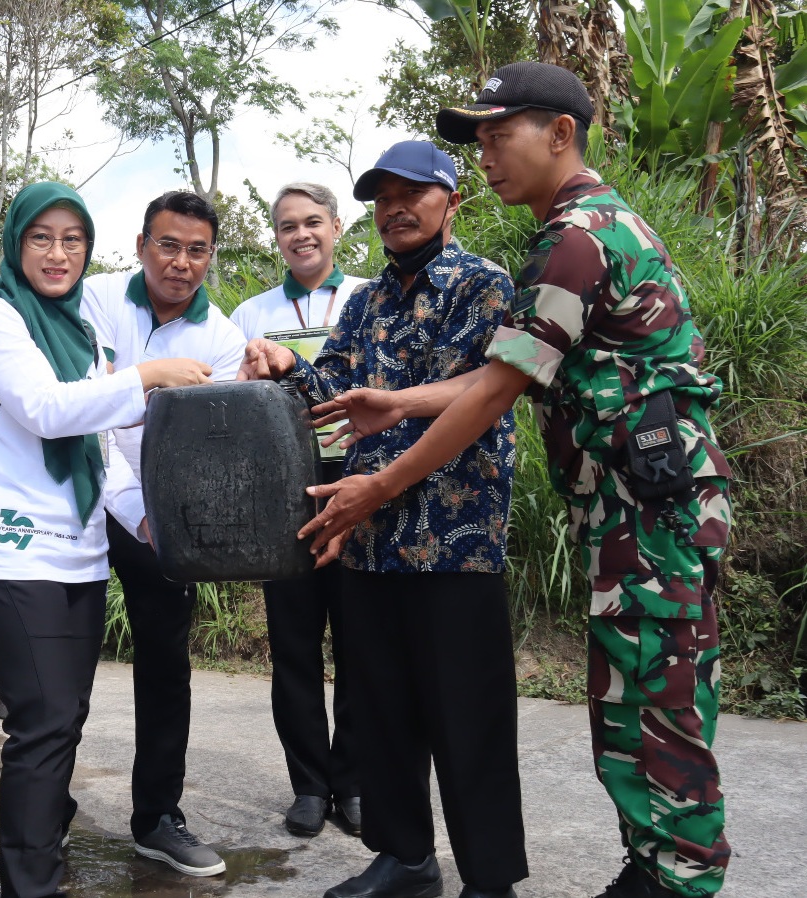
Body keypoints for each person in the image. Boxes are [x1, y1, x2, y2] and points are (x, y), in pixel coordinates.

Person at [308, 63, 733, 898]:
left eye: (499, 136)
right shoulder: (584, 228)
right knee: (634, 704)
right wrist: (395, 404)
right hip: (636, 508)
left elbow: (495, 391)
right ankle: (652, 873)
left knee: (657, 707)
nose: (487, 156)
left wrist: (377, 487)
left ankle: (673, 879)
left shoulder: (572, 240)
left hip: (647, 514)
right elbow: (508, 371)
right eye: (480, 142)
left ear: (560, 134)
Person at [241, 141, 527, 898]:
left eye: (413, 194)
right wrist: (287, 366)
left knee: (467, 718)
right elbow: (332, 385)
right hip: (369, 539)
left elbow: (492, 386)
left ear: (451, 202)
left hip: (454, 540)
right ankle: (405, 859)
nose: (395, 209)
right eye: (383, 198)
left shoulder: (483, 284)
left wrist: (395, 413)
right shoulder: (365, 302)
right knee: (382, 712)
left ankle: (489, 879)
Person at [0, 181, 212, 898]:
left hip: (79, 556)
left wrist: (146, 521)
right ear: (17, 242)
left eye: (73, 240)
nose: (58, 253)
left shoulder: (83, 336)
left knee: (62, 719)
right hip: (13, 553)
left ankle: (40, 854)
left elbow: (102, 450)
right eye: (42, 237)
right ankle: (30, 883)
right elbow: (46, 409)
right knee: (41, 725)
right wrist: (145, 376)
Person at [80, 190, 247, 877]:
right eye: (168, 245)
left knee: (166, 665)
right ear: (141, 246)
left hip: (162, 517)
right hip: (82, 498)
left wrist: (160, 519)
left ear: (211, 256)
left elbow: (208, 449)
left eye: (196, 250)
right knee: (65, 658)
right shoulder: (94, 299)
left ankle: (156, 817)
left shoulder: (222, 340)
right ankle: (43, 807)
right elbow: (87, 415)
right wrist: (132, 505)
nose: (181, 262)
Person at [227, 182, 366, 839]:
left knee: (362, 644)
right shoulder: (250, 313)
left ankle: (354, 781)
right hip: (281, 492)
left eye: (313, 221)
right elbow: (235, 401)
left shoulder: (368, 297)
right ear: (276, 237)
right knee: (293, 645)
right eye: (287, 226)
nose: (301, 234)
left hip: (359, 485)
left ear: (336, 227)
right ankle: (309, 786)